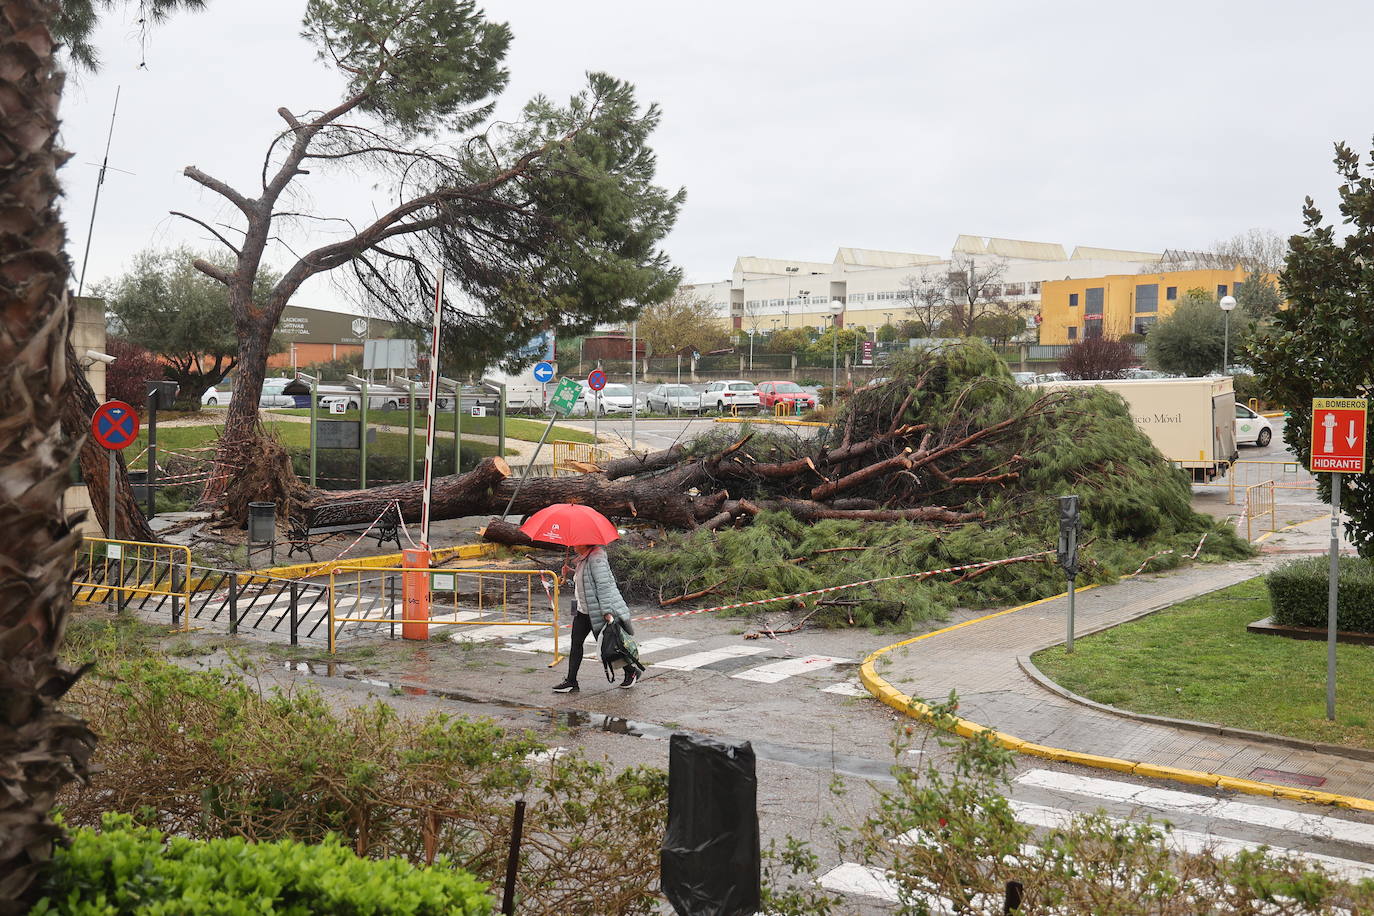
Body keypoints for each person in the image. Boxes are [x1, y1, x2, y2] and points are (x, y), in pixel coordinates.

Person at [553, 543, 639, 692]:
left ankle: (631, 672)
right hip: (583, 611)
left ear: (586, 543)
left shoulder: (596, 558)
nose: (573, 545)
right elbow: (586, 582)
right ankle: (571, 681)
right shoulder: (583, 558)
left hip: (597, 612)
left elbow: (603, 586)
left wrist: (606, 611)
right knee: (576, 644)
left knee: (610, 647)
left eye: (576, 542)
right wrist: (571, 572)